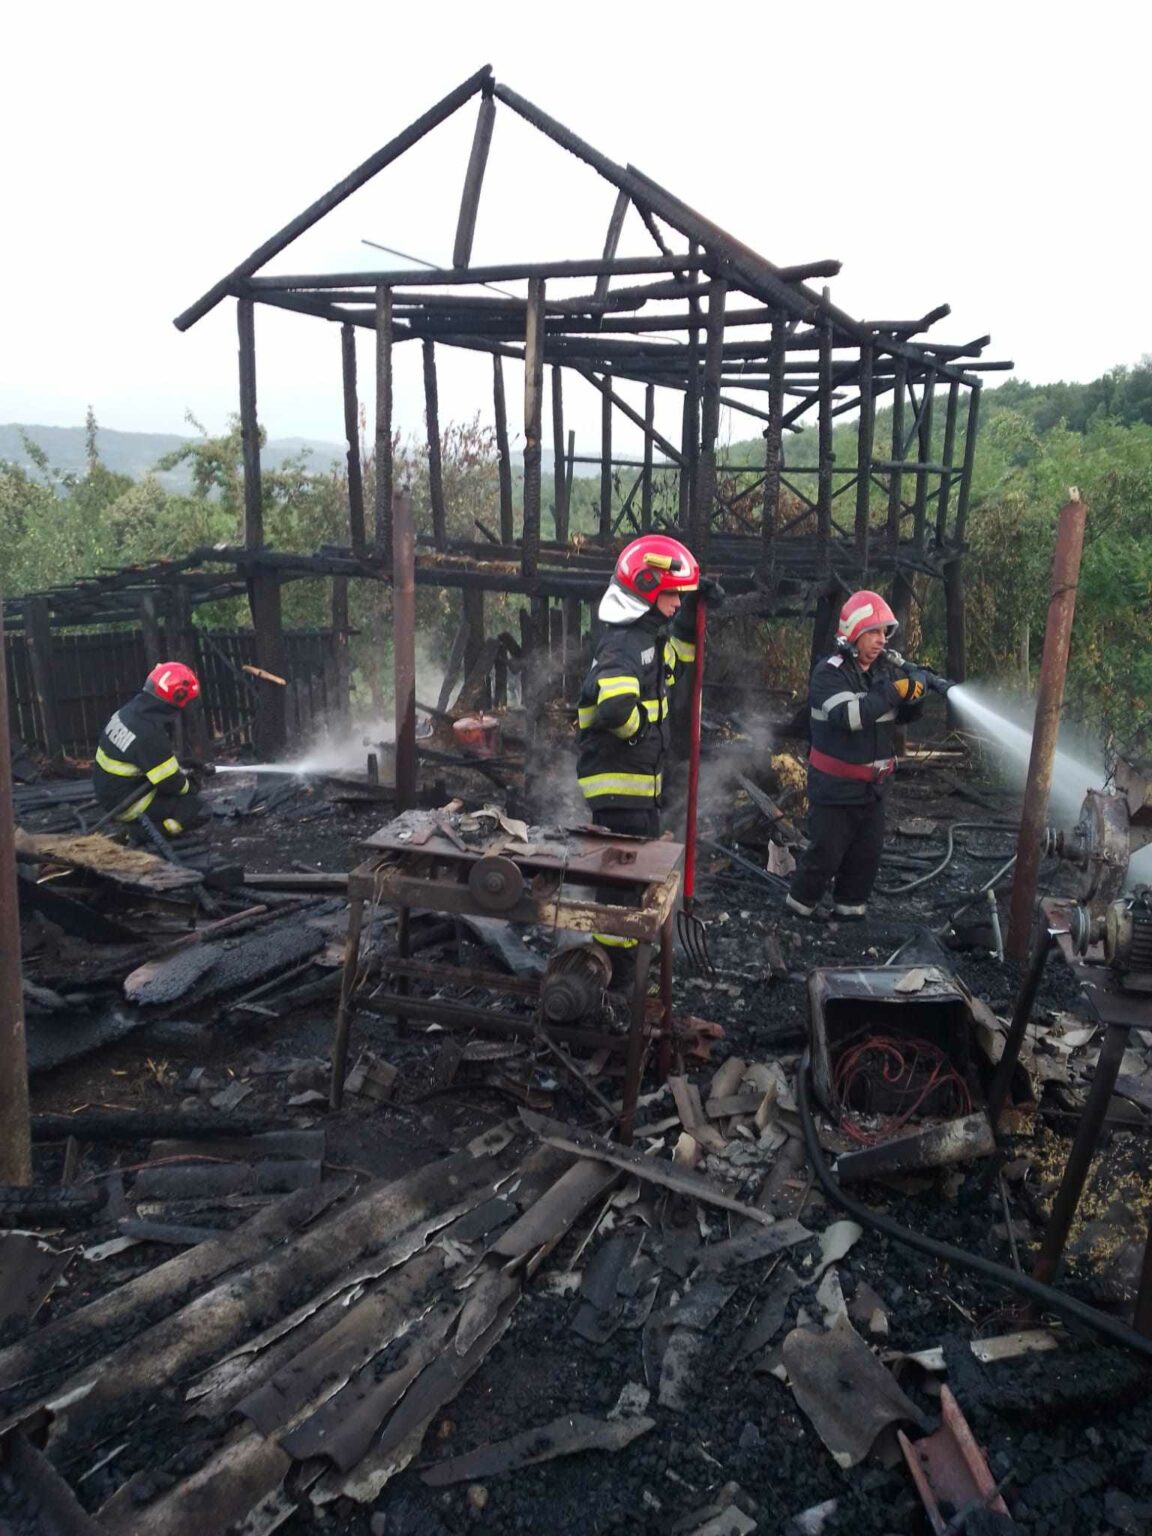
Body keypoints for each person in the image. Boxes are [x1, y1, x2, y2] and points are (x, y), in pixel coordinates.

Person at [576, 534, 706, 980]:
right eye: (674, 595)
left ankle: (625, 969)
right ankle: (617, 975)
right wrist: (641, 734)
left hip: (635, 789)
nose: (678, 602)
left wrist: (692, 615)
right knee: (621, 889)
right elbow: (615, 709)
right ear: (648, 590)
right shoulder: (624, 643)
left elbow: (676, 667)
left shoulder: (648, 637)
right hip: (620, 791)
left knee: (632, 883)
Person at [786, 590, 927, 921]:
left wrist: (916, 694)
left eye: (884, 632)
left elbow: (900, 715)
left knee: (866, 855)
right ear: (853, 633)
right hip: (834, 789)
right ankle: (798, 910)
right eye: (873, 632)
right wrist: (895, 691)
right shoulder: (829, 673)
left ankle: (849, 915)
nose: (881, 640)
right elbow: (851, 716)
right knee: (825, 854)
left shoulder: (883, 673)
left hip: (873, 790)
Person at [93, 662, 209, 837]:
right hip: (128, 804)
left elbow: (146, 758)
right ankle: (140, 833)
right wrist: (191, 786)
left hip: (109, 792)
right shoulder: (150, 733)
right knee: (198, 810)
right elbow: (170, 783)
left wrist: (184, 765)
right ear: (178, 696)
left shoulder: (129, 712)